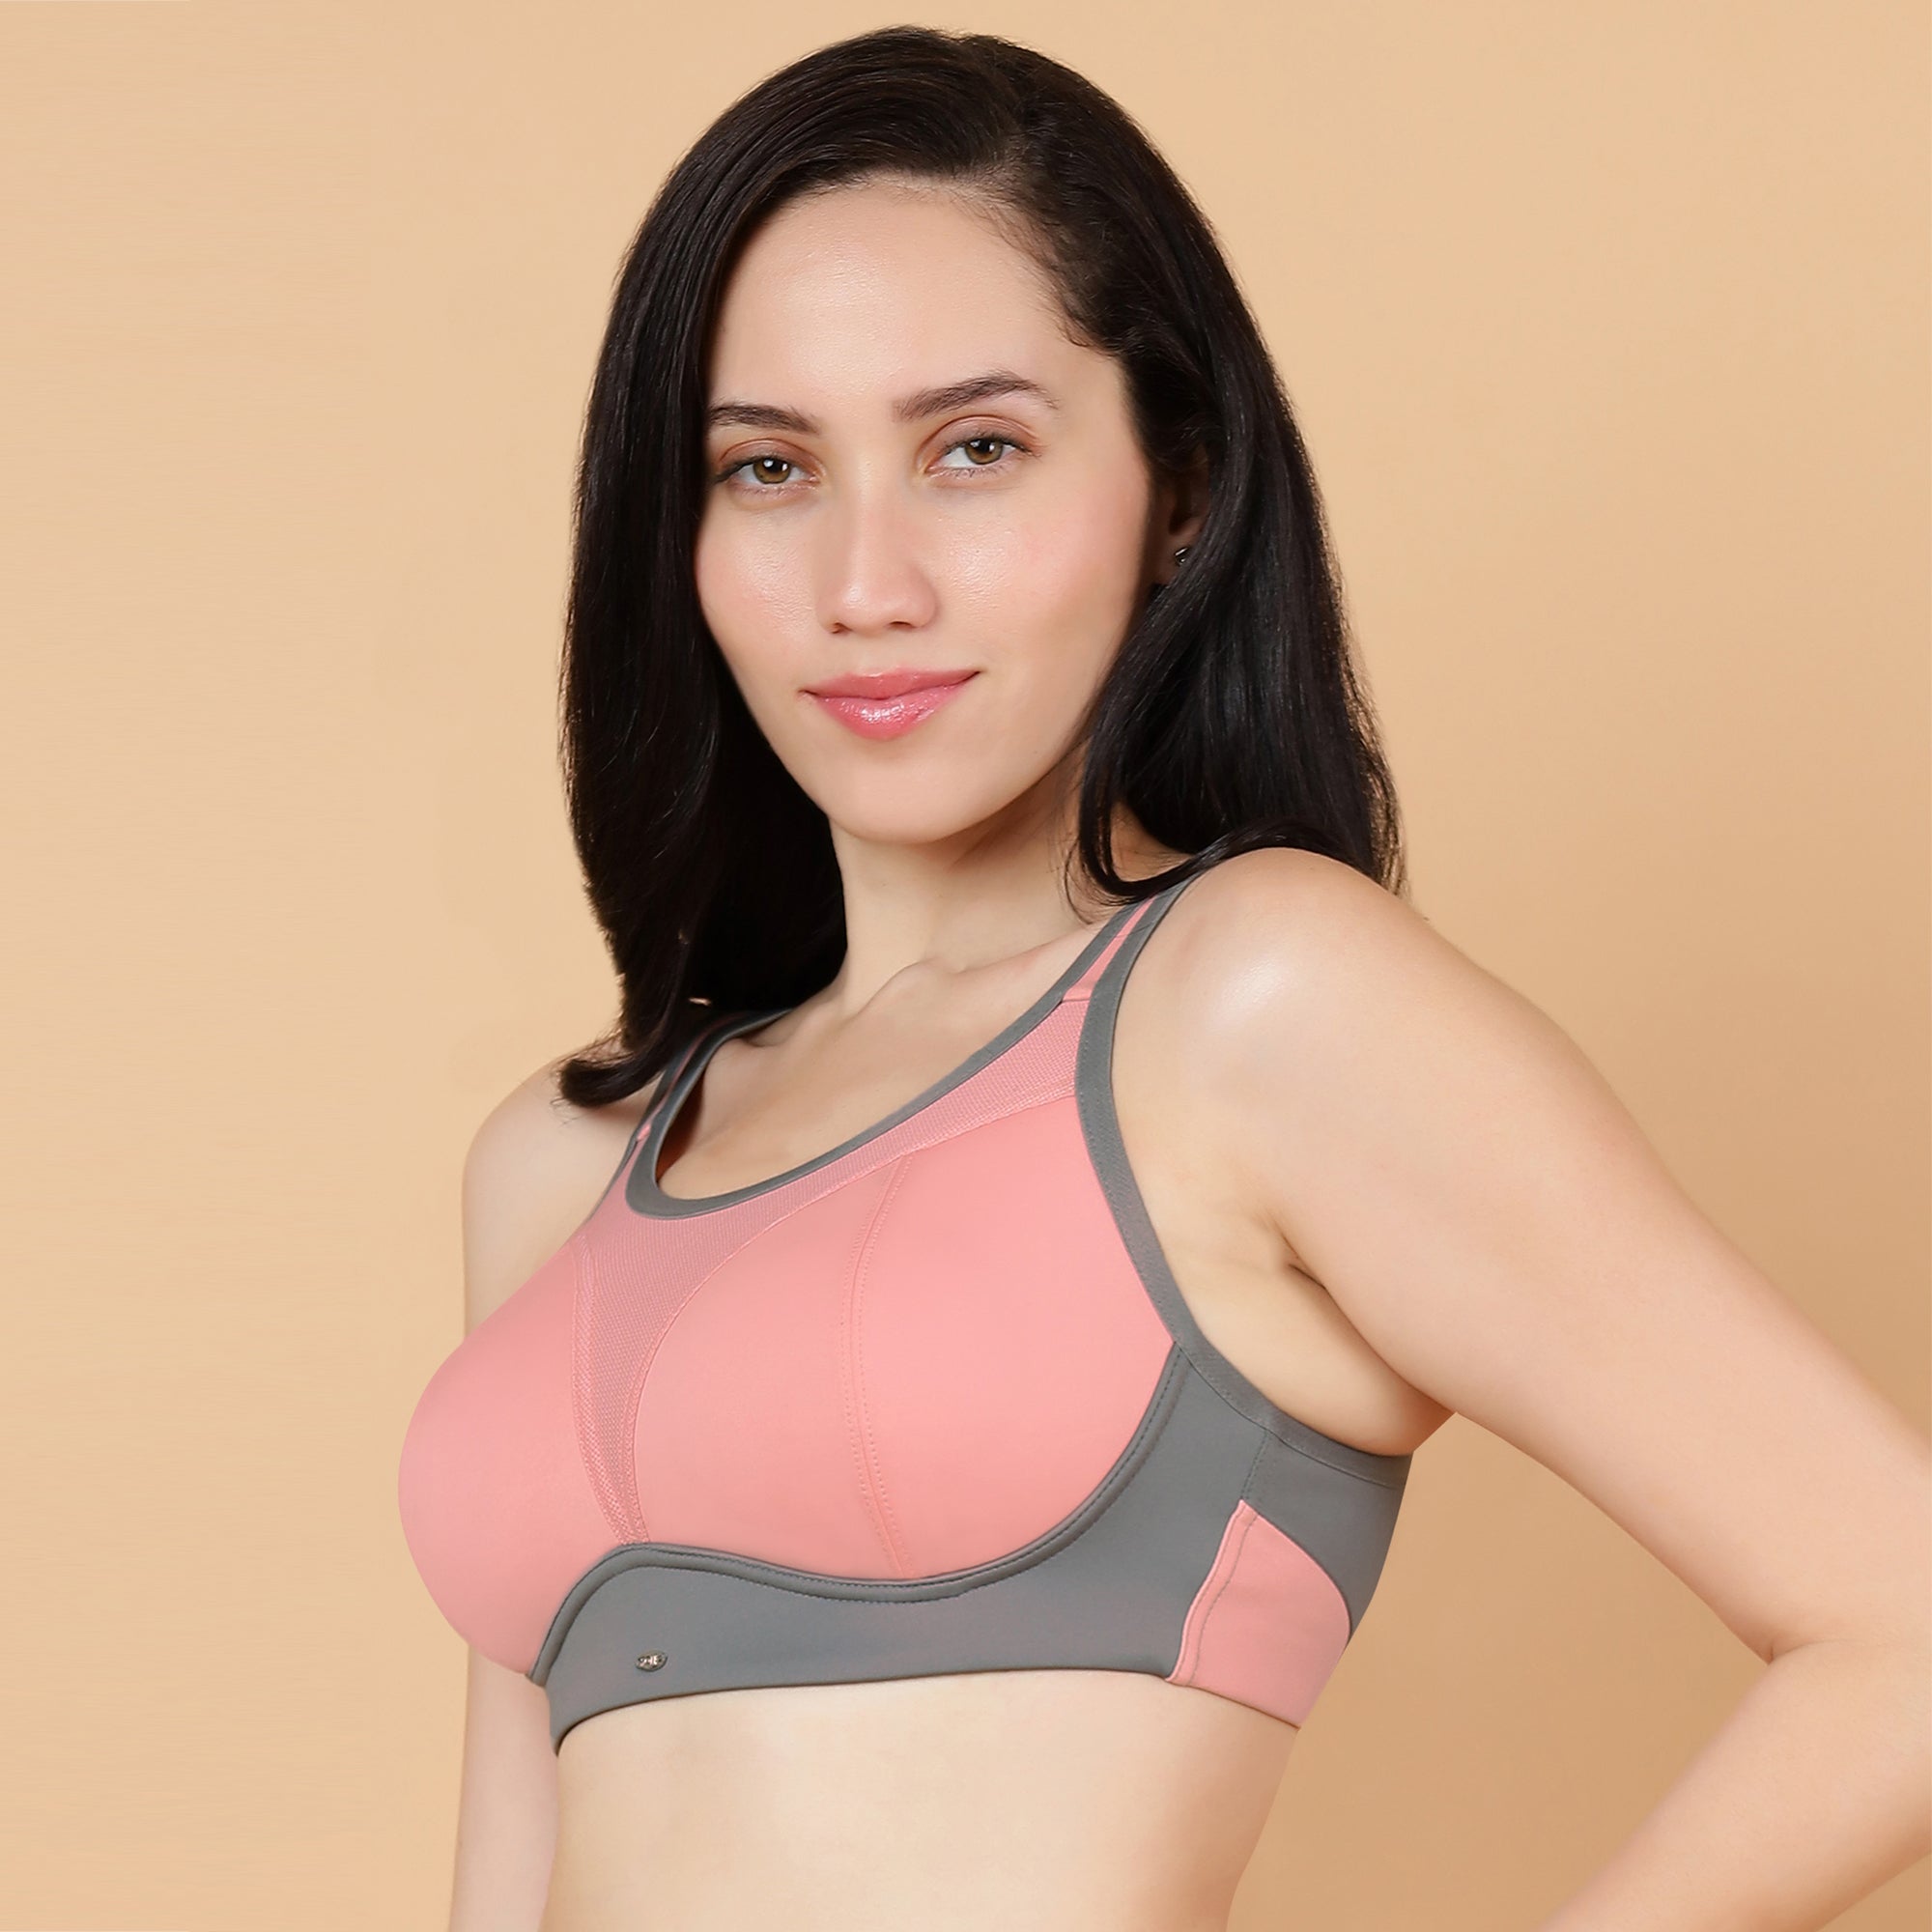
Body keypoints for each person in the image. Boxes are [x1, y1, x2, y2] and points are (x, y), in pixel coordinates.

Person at [396, 25, 1930, 1932]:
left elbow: (1901, 1627)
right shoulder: (560, 1165)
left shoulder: (1258, 1010)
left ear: (1179, 491)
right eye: (767, 467)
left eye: (975, 449)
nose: (866, 583)